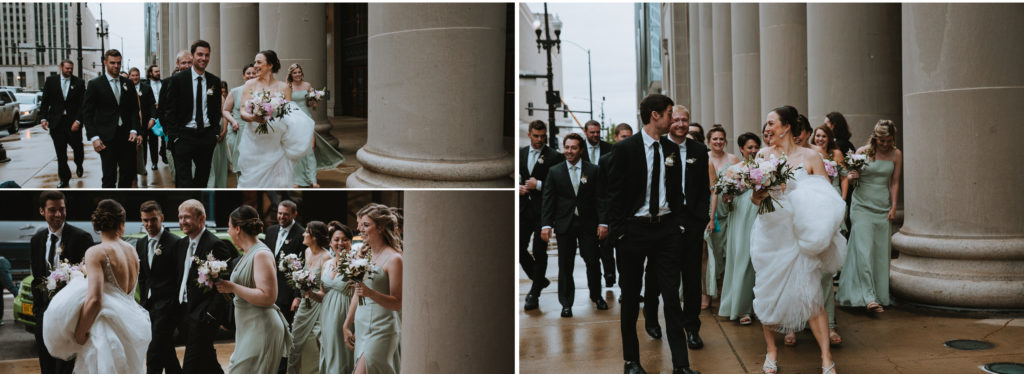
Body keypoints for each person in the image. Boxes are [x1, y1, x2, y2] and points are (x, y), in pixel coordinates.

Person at [607, 94, 702, 374]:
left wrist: (679, 224)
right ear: (655, 115)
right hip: (633, 232)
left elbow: (676, 192)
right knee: (631, 296)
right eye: (670, 113)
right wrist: (620, 233)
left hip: (666, 231)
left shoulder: (670, 149)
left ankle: (681, 365)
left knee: (672, 297)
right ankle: (632, 362)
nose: (674, 119)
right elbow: (613, 194)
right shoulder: (625, 149)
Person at [750, 105, 846, 374]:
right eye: (766, 124)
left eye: (771, 123)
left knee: (813, 295)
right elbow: (755, 200)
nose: (767, 128)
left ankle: (826, 358)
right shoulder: (762, 156)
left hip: (800, 236)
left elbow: (828, 200)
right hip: (771, 234)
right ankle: (771, 351)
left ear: (787, 126)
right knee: (767, 292)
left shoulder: (812, 156)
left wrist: (823, 231)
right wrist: (761, 193)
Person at [43, 199, 151, 373]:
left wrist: (80, 332)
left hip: (105, 329)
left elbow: (95, 299)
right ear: (121, 224)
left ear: (97, 224)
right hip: (132, 324)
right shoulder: (131, 250)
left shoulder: (96, 252)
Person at [655, 105, 713, 351]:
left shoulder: (699, 150)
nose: (680, 123)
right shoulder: (659, 147)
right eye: (676, 119)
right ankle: (667, 324)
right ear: (669, 121)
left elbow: (703, 187)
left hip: (692, 221)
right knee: (666, 279)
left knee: (691, 278)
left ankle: (692, 328)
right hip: (667, 220)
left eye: (684, 120)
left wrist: (700, 216)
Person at [214, 205, 292, 374]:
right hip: (248, 328)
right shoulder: (246, 254)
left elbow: (268, 296)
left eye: (229, 227)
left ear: (237, 229)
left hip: (261, 328)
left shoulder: (261, 254)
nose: (228, 232)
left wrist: (233, 287)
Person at [540, 133, 608, 317]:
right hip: (564, 224)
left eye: (573, 148)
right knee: (565, 265)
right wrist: (545, 225)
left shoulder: (593, 170)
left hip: (588, 223)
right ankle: (566, 303)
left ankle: (597, 296)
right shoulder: (555, 171)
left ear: (581, 150)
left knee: (593, 261)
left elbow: (600, 198)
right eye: (567, 147)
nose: (569, 151)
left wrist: (603, 222)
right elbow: (548, 199)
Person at [837, 120, 902, 313]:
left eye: (888, 140)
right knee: (864, 250)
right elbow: (849, 176)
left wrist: (894, 206)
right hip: (862, 206)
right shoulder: (862, 152)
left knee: (881, 252)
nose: (884, 144)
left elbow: (895, 182)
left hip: (882, 207)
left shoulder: (896, 154)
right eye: (881, 140)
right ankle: (868, 297)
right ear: (875, 138)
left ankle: (880, 294)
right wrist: (852, 177)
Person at [30, 191, 93, 374]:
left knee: (65, 368)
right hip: (44, 316)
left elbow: (88, 280)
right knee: (46, 366)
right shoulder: (37, 240)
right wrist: (38, 312)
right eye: (52, 210)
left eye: (62, 209)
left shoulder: (81, 238)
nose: (58, 214)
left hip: (70, 317)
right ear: (42, 211)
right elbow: (36, 278)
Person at [237, 50, 315, 188]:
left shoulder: (284, 87)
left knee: (279, 182)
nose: (255, 65)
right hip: (255, 141)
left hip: (277, 142)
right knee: (253, 181)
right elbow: (243, 110)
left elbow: (290, 115)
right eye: (255, 62)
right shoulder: (250, 85)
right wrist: (253, 117)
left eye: (259, 62)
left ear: (270, 65)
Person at [176, 199, 235, 373]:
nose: (182, 222)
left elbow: (225, 286)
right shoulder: (182, 244)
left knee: (191, 365)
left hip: (203, 316)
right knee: (207, 361)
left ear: (201, 218)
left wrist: (210, 314)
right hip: (185, 312)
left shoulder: (215, 245)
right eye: (179, 217)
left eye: (186, 217)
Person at [344, 204, 403, 374]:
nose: (359, 229)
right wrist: (347, 324)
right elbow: (357, 292)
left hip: (382, 329)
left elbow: (397, 303)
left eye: (365, 225)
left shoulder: (394, 259)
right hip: (362, 326)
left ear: (381, 227)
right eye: (359, 224)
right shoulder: (364, 255)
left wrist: (371, 293)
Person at [162, 40, 224, 188]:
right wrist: (174, 136)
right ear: (193, 55)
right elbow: (169, 110)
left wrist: (214, 133)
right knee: (184, 180)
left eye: (207, 55)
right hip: (183, 136)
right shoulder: (178, 80)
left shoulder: (214, 81)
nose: (204, 58)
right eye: (200, 54)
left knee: (202, 179)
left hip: (206, 136)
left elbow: (216, 110)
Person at [80, 49, 142, 188]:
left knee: (127, 174)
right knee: (109, 176)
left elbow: (133, 109)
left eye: (118, 63)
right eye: (112, 63)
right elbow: (87, 112)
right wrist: (94, 137)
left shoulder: (128, 83)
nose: (116, 66)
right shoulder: (95, 84)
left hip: (127, 137)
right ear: (105, 63)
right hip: (106, 138)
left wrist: (134, 129)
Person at [518, 120, 563, 311]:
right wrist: (516, 188)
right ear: (529, 134)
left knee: (539, 251)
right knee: (518, 249)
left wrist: (538, 185)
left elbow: (559, 186)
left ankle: (534, 294)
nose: (539, 139)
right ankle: (539, 279)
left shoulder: (555, 157)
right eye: (536, 136)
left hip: (543, 212)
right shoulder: (520, 153)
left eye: (542, 136)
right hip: (523, 210)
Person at [717, 133, 761, 325]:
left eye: (756, 147)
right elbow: (724, 199)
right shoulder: (732, 170)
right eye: (749, 147)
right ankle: (742, 308)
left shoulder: (765, 167)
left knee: (760, 260)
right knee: (743, 258)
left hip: (761, 213)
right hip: (741, 215)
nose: (753, 151)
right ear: (741, 149)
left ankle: (762, 307)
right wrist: (726, 198)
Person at [136, 201, 184, 374]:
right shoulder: (141, 244)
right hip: (148, 307)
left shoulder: (175, 243)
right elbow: (143, 276)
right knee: (166, 351)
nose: (149, 224)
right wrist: (143, 302)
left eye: (153, 220)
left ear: (162, 218)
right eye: (145, 220)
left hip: (168, 308)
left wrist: (173, 305)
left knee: (154, 350)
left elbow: (179, 277)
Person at [288, 221, 333, 373]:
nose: (303, 234)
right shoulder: (306, 252)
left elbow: (325, 291)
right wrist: (300, 294)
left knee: (315, 341)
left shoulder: (326, 257)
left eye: (307, 232)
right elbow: (303, 278)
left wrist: (310, 293)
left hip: (319, 305)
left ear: (314, 237)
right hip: (305, 303)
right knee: (296, 338)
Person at [703, 124, 740, 310]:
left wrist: (731, 194)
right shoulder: (704, 158)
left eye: (721, 138)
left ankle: (723, 290)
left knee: (726, 252)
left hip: (727, 209)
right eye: (714, 139)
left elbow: (741, 183)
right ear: (709, 141)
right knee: (711, 252)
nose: (718, 142)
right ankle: (708, 292)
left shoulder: (733, 159)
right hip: (709, 210)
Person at [39, 60, 86, 188]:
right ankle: (64, 179)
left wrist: (78, 121)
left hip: (73, 123)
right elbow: (45, 101)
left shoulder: (79, 83)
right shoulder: (51, 81)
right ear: (61, 68)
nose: (69, 71)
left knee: (78, 148)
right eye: (67, 68)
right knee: (61, 154)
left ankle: (79, 164)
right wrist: (43, 118)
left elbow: (83, 105)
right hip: (56, 123)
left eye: (71, 68)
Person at [597, 123, 633, 287]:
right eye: (624, 137)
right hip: (610, 215)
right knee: (606, 249)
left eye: (630, 137)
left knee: (627, 255)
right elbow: (602, 192)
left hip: (630, 215)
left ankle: (628, 289)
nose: (627, 140)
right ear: (615, 138)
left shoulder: (636, 158)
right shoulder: (605, 160)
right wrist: (603, 220)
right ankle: (609, 275)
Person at [319, 222, 356, 374]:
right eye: (336, 239)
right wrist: (307, 292)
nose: (340, 243)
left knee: (344, 355)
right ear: (330, 242)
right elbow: (322, 294)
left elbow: (359, 295)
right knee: (330, 352)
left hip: (346, 314)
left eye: (345, 239)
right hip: (326, 315)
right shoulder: (326, 264)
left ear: (350, 242)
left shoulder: (356, 265)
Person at [267, 200, 306, 325]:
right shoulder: (271, 231)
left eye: (286, 214)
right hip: (269, 290)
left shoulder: (301, 234)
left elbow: (303, 267)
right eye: (279, 213)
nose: (282, 217)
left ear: (295, 214)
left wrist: (297, 296)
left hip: (288, 294)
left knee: (285, 328)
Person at [223, 64, 257, 178]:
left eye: (254, 73)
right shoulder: (235, 91)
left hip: (256, 132)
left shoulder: (262, 91)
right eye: (248, 73)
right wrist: (233, 121)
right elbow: (226, 110)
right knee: (241, 164)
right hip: (238, 130)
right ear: (243, 76)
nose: (251, 75)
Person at [130, 67, 157, 186]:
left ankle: (143, 167)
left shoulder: (146, 88)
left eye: (137, 75)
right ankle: (133, 170)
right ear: (129, 76)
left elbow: (152, 104)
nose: (135, 77)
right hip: (131, 124)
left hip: (145, 123)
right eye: (133, 75)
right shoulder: (126, 88)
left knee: (143, 145)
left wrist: (152, 118)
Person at [205, 81, 231, 188]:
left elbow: (224, 114)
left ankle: (218, 184)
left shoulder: (220, 97)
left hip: (219, 130)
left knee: (218, 160)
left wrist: (224, 130)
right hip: (205, 131)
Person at [143, 64, 165, 170]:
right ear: (150, 73)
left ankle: (162, 155)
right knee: (152, 139)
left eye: (159, 71)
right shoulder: (145, 84)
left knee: (163, 137)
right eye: (156, 71)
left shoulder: (163, 83)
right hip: (150, 115)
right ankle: (153, 163)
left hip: (162, 113)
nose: (158, 73)